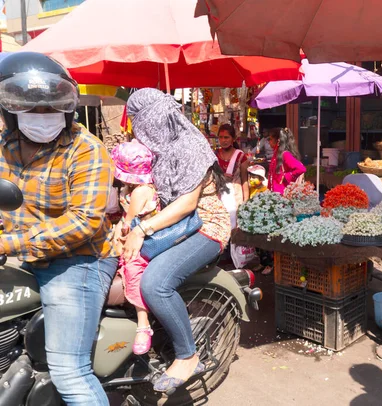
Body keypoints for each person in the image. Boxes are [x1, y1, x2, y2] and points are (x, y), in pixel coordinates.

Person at [0, 52, 117, 405]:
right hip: (22, 252)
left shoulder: (87, 150)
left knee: (69, 370)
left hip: (78, 260)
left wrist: (8, 243)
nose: (42, 117)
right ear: (11, 110)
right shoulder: (5, 147)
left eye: (50, 108)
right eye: (31, 108)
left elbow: (83, 222)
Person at [122, 88, 230, 394]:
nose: (137, 131)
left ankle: (188, 355)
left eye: (138, 123)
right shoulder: (160, 147)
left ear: (153, 120)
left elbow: (185, 204)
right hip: (175, 225)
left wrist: (142, 230)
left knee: (154, 283)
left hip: (206, 226)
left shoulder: (189, 144)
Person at [111, 140, 160, 355]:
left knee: (132, 272)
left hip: (143, 240)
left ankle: (143, 324)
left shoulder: (141, 192)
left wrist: (115, 235)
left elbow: (128, 224)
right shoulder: (131, 188)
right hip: (132, 236)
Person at [267, 127, 306, 195]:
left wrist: (286, 176)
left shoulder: (285, 154)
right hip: (275, 194)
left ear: (278, 140)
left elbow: (301, 168)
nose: (268, 141)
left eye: (270, 139)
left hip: (283, 195)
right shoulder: (276, 153)